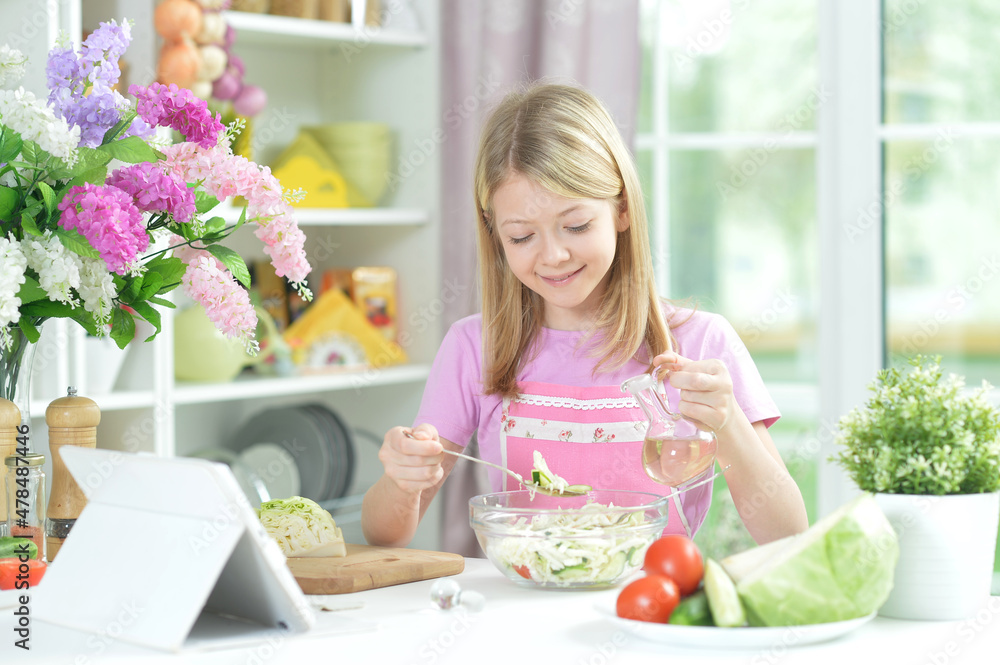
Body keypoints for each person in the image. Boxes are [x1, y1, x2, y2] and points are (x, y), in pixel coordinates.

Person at [362, 83, 808, 549]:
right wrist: (401, 478)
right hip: (520, 612)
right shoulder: (474, 346)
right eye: (520, 237)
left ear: (620, 210)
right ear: (495, 233)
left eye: (576, 226)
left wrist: (729, 422)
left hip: (654, 609)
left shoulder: (700, 342)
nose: (553, 255)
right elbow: (384, 535)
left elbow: (789, 533)